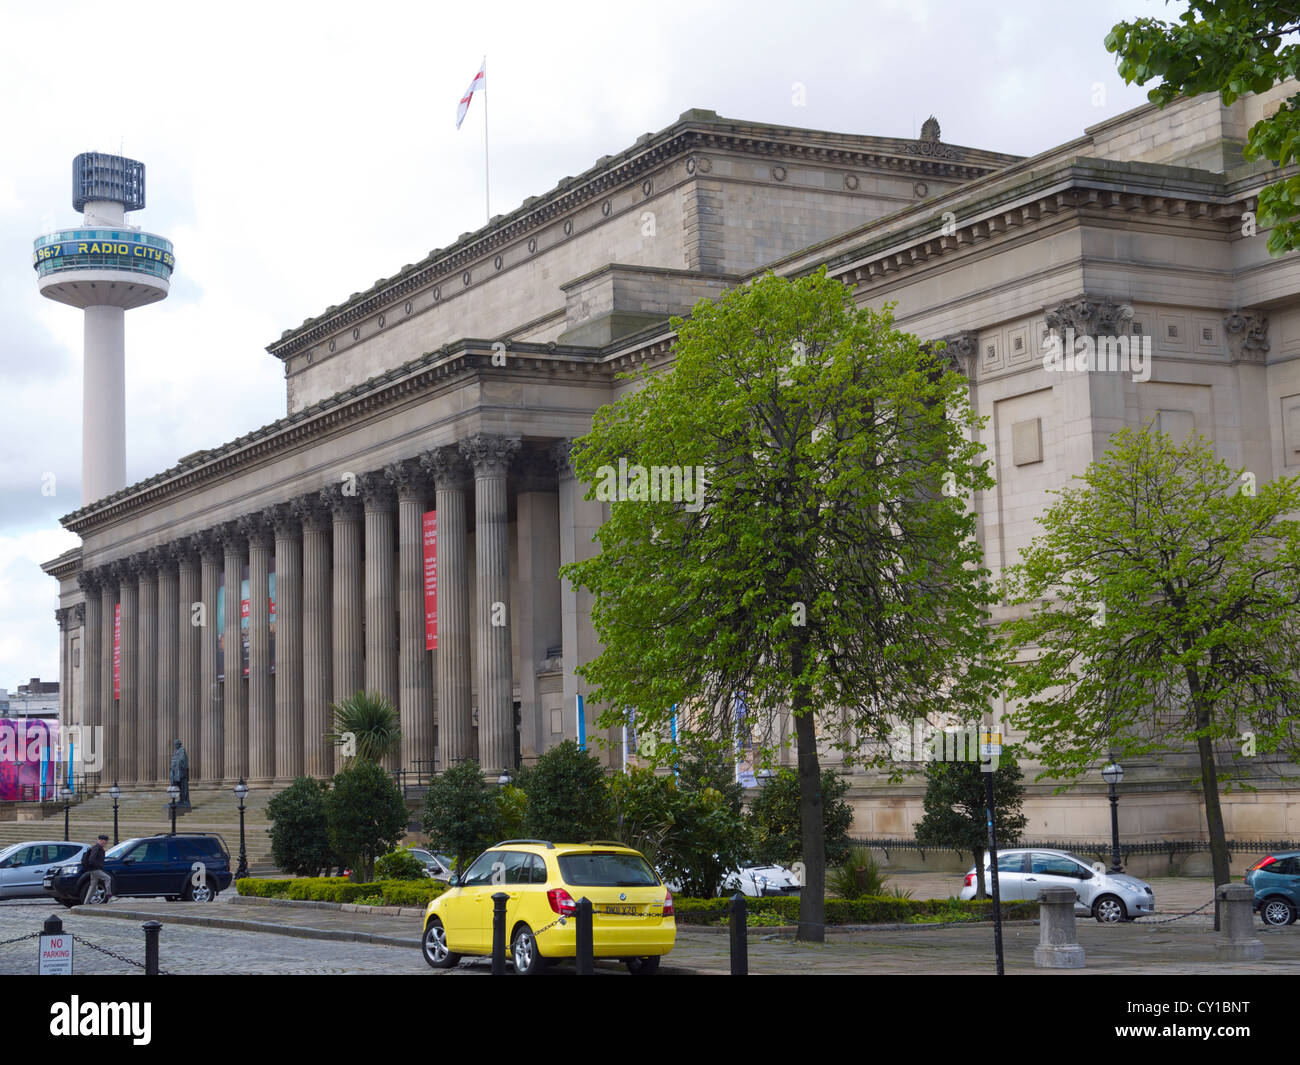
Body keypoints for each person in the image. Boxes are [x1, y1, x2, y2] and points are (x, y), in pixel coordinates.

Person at [83, 834, 113, 903]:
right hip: (95, 869)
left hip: (93, 869)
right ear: (100, 840)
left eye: (106, 841)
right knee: (108, 878)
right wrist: (99, 865)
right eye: (105, 841)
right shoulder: (97, 848)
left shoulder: (98, 848)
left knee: (93, 886)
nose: (106, 843)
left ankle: (86, 902)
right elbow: (91, 860)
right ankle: (109, 895)